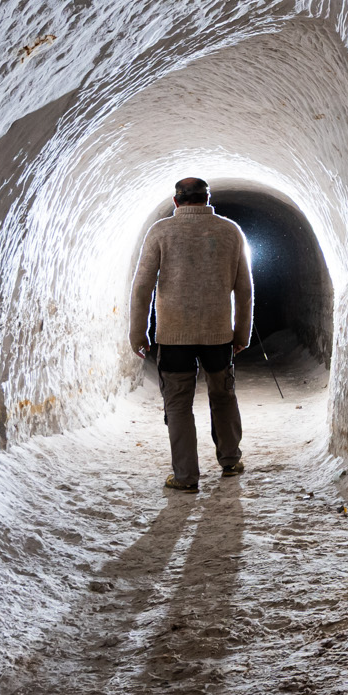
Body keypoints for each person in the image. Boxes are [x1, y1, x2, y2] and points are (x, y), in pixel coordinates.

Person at [129, 176, 253, 492]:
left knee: (177, 404)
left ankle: (185, 477)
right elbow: (244, 289)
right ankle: (230, 461)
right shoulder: (230, 231)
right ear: (208, 199)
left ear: (176, 201)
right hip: (218, 334)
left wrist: (138, 332)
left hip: (173, 337)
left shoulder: (160, 232)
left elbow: (142, 286)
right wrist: (242, 333)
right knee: (223, 395)